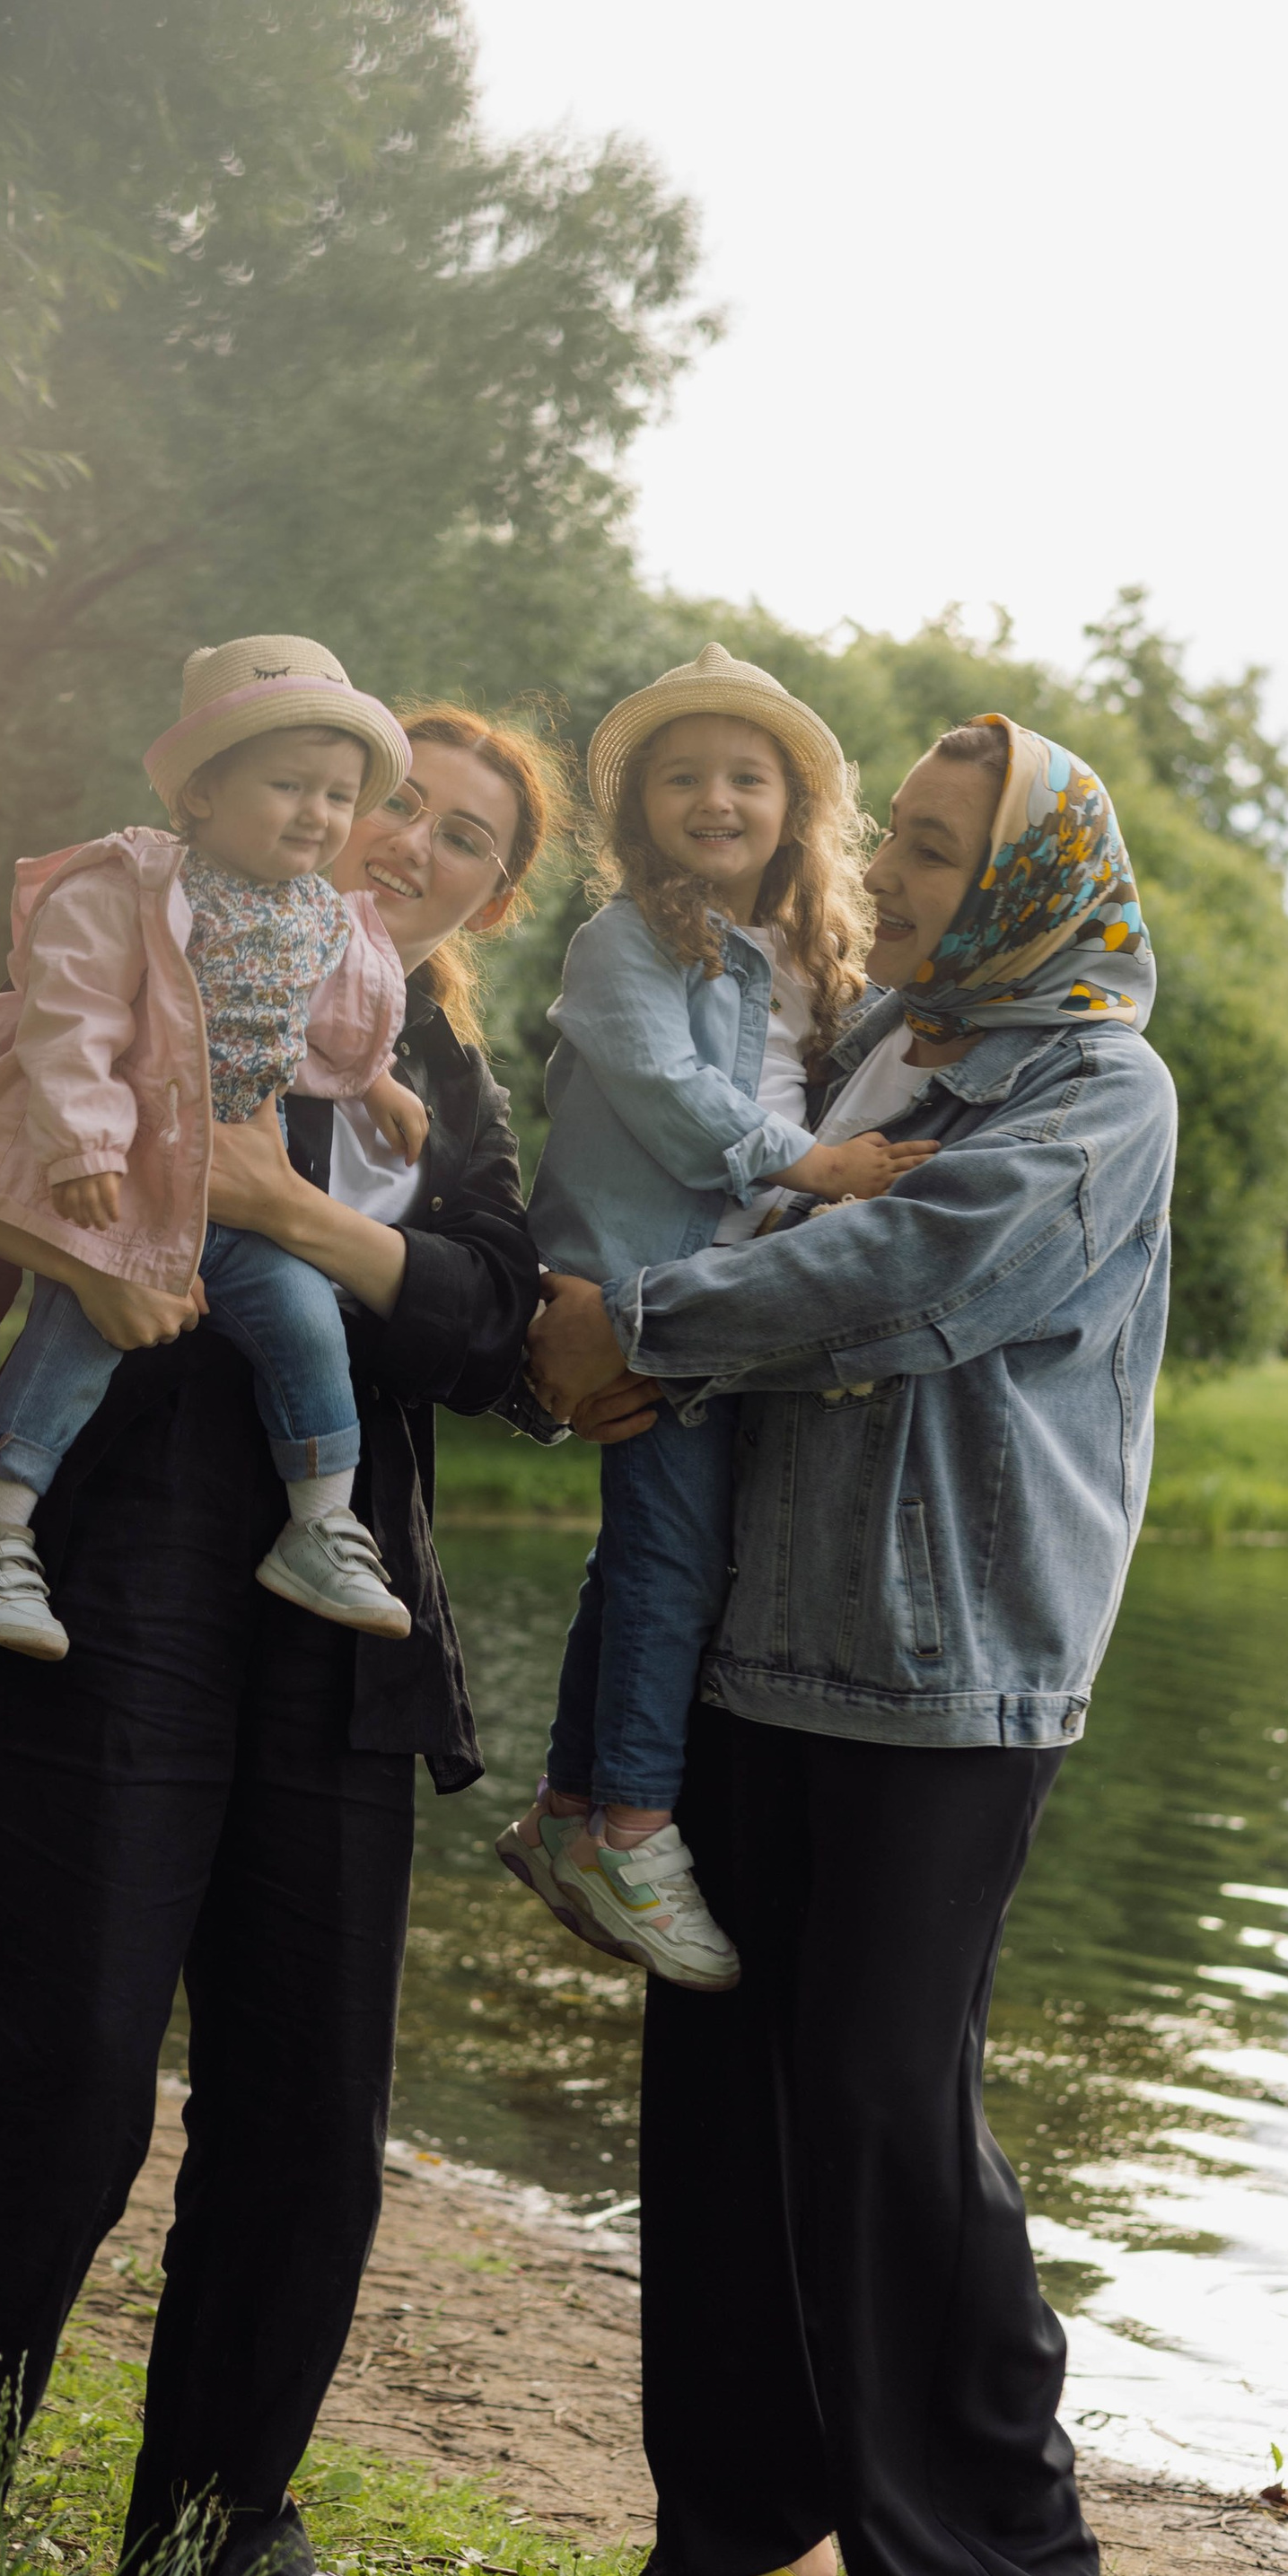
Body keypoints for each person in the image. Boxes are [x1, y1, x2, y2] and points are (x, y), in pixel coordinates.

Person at [0, 701, 566, 2576]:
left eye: (467, 839)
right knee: (61, 2055)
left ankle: (220, 2522)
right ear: (280, 792)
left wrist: (280, 1209)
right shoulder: (139, 945)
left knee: (306, 2093)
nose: (411, 838)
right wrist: (79, 1233)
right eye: (391, 794)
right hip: (110, 1579)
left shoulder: (431, 1073)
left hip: (338, 1616)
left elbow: (496, 1334)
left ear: (489, 894)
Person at [527, 713, 1175, 2576]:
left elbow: (909, 1271)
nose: (883, 872)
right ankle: (739, 2544)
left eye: (928, 847)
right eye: (892, 836)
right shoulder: (887, 1046)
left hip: (945, 1672)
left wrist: (625, 1328)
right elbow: (759, 1221)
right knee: (720, 2109)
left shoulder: (1098, 1086)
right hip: (754, 1641)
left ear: (1028, 876)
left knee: (888, 2112)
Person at [500, 644, 933, 1991]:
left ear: (797, 807)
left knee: (648, 1551)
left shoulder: (811, 950)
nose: (717, 798)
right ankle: (632, 1825)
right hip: (651, 1278)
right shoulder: (627, 939)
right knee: (673, 1561)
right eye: (684, 777)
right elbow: (667, 1089)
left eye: (748, 776)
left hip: (731, 1289)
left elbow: (852, 1070)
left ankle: (570, 1812)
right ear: (642, 816)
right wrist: (815, 1174)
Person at [0, 635, 426, 1659]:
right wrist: (86, 1147)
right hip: (123, 1178)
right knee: (77, 1337)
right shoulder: (132, 890)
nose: (316, 815)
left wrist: (377, 1080)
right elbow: (73, 1019)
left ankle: (320, 1522)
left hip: (228, 1192)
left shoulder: (316, 916)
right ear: (198, 794)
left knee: (308, 1319)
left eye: (336, 795)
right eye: (287, 786)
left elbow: (320, 1024)